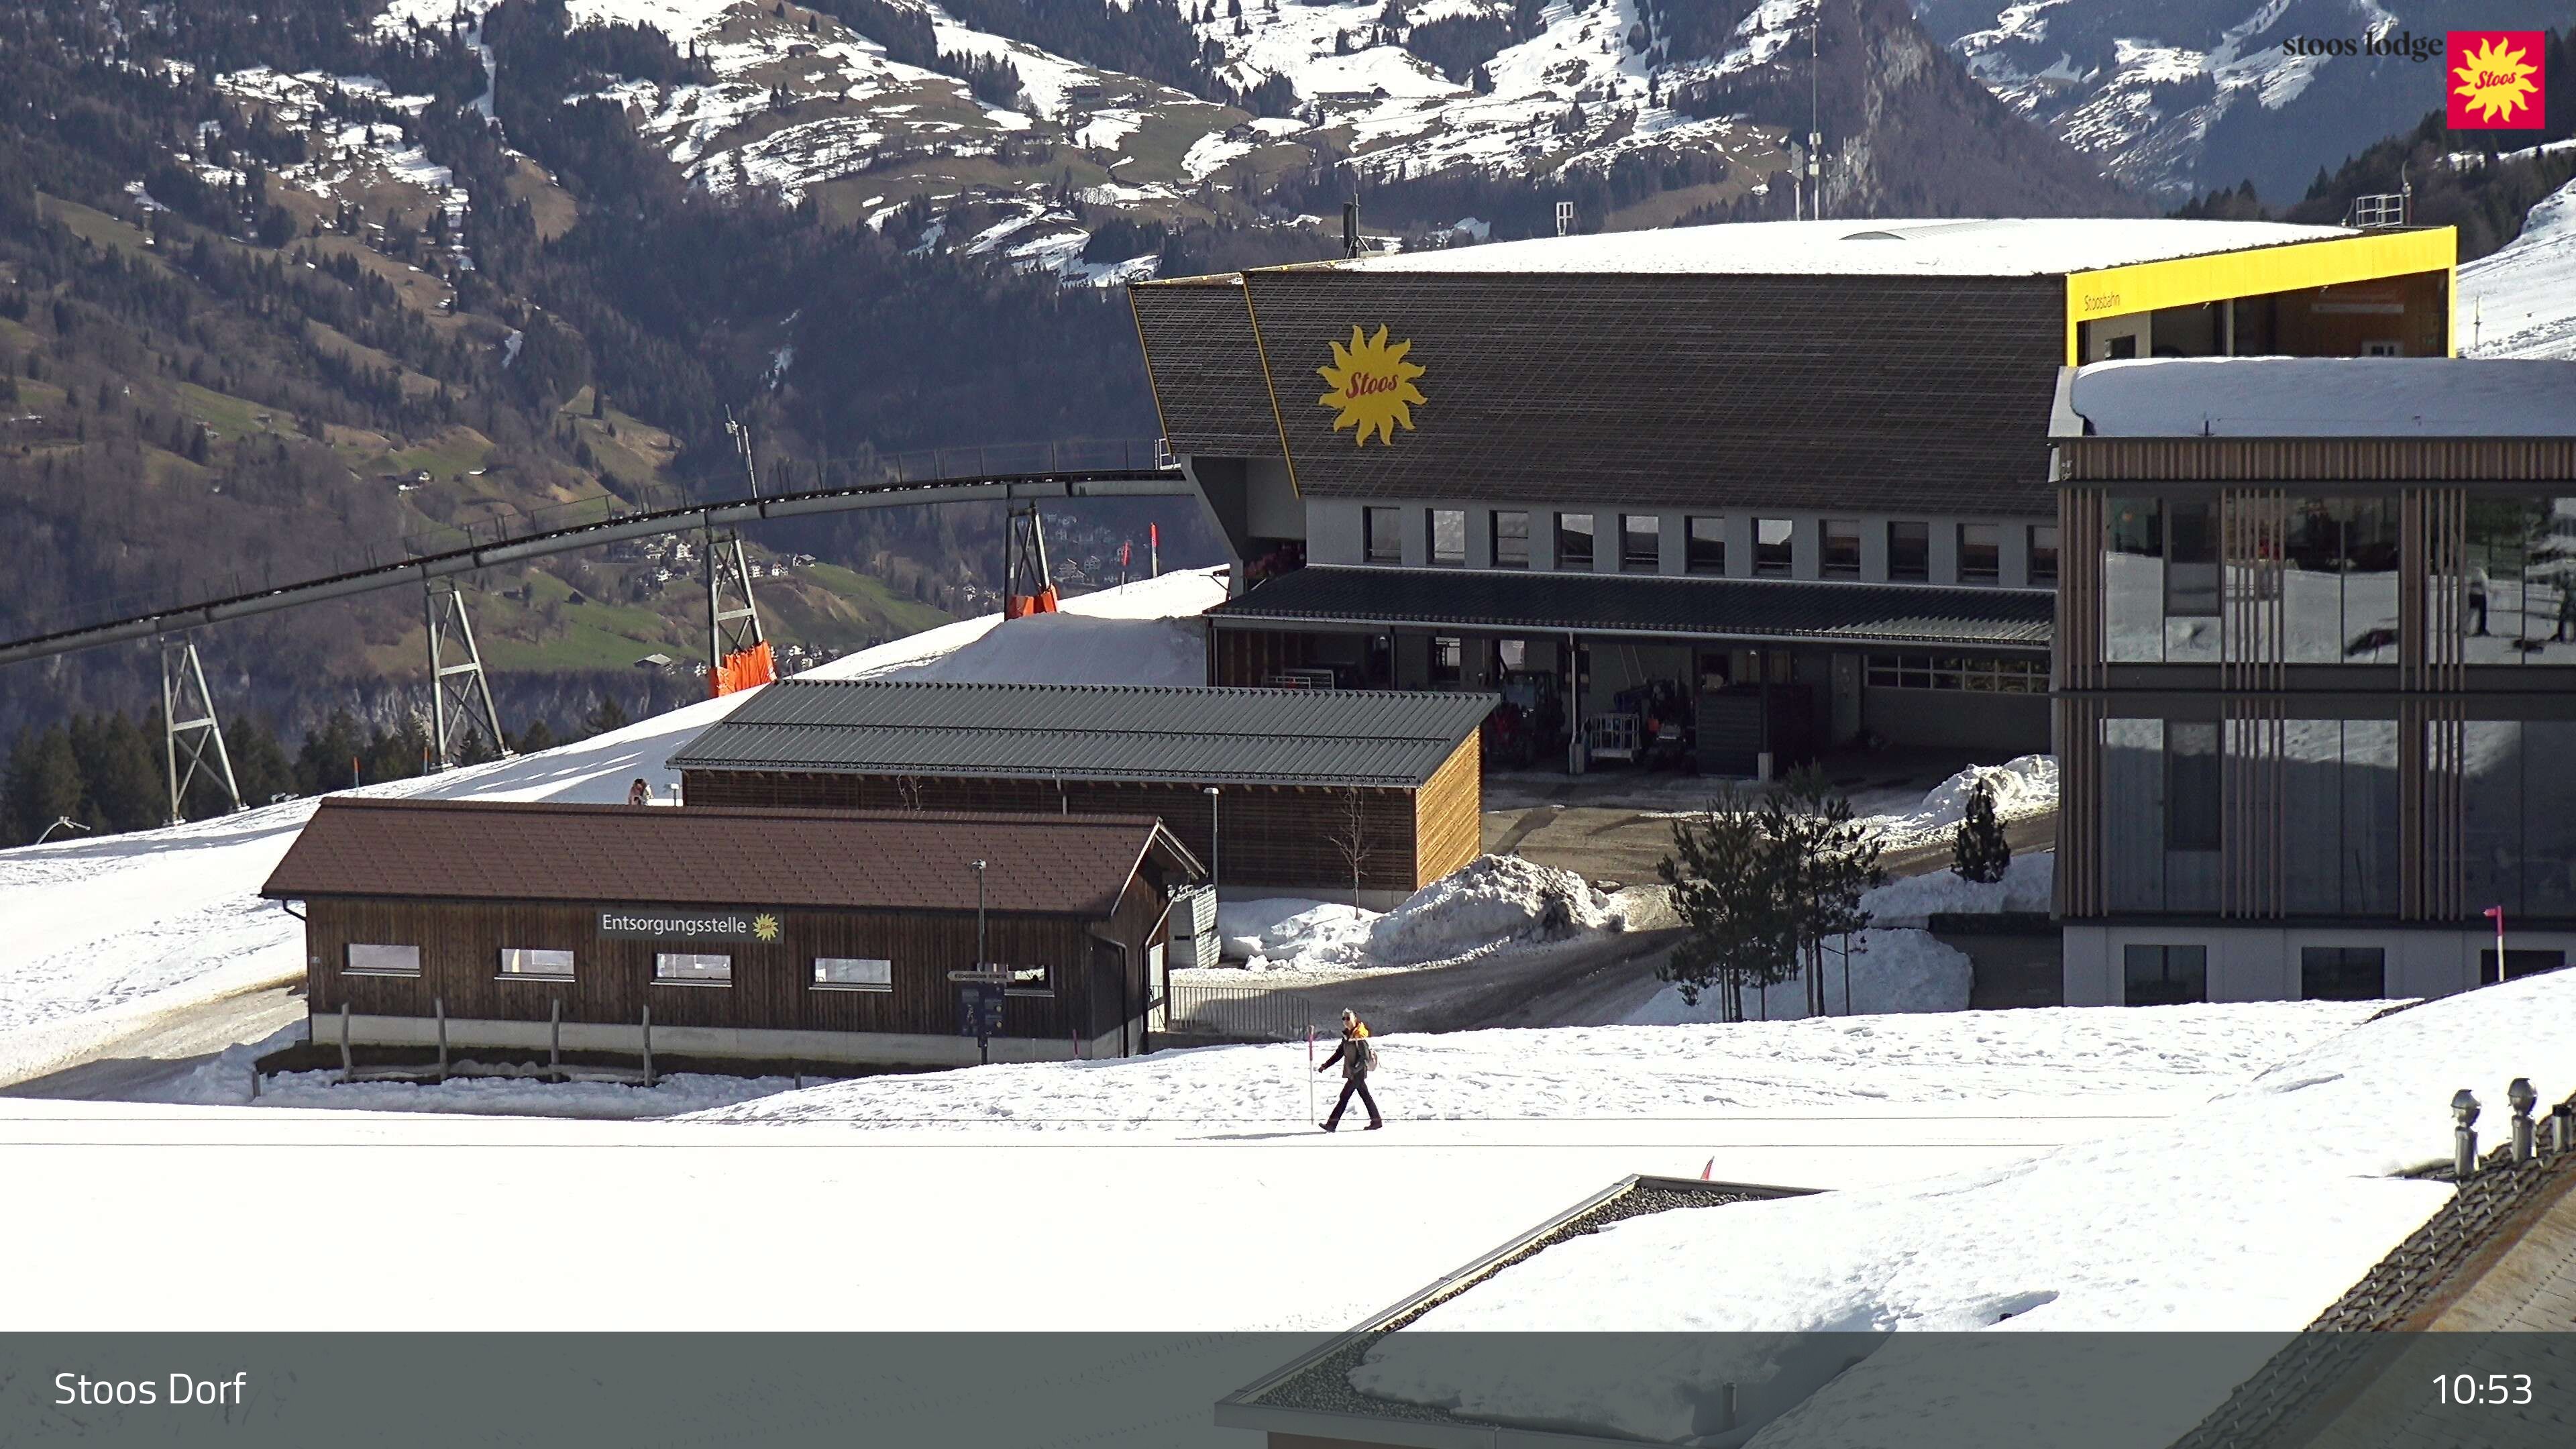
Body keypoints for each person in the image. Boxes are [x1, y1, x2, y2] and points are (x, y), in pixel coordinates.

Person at [1316, 1008, 1382, 1132]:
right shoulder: (1347, 1036)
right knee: (1365, 1096)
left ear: (1355, 1019)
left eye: (1348, 1018)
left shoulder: (1359, 1036)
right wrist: (1325, 1065)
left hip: (1358, 1073)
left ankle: (1332, 1124)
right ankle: (1377, 1121)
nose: (1346, 1021)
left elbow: (1364, 1058)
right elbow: (1339, 1053)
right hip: (1353, 1073)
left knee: (1344, 1097)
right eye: (1343, 1019)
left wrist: (1354, 1069)